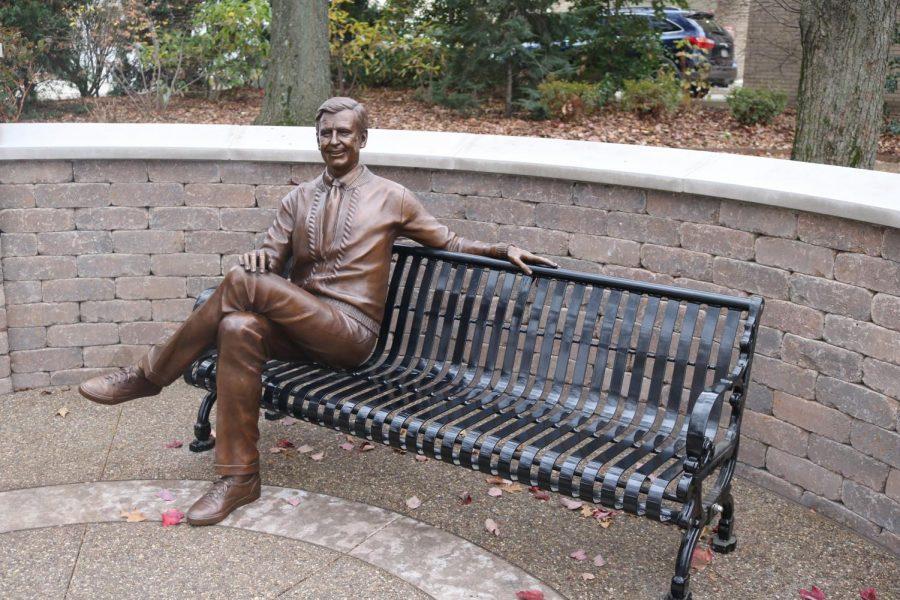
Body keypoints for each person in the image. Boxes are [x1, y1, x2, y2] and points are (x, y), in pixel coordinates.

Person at [78, 97, 557, 526]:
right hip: (299, 329)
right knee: (238, 325)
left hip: (349, 332)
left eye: (344, 132)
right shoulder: (297, 199)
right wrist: (262, 259)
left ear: (362, 138)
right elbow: (268, 255)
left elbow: (448, 241)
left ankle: (148, 375)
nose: (334, 141)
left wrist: (500, 247)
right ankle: (239, 479)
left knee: (242, 288)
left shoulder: (392, 197)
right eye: (325, 134)